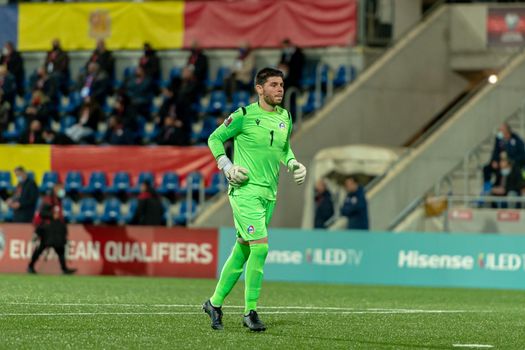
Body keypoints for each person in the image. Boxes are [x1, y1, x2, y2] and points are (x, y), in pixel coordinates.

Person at [202, 67, 307, 332]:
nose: (279, 89)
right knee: (260, 247)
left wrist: (293, 162)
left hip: (269, 194)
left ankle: (213, 304)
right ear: (259, 89)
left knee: (244, 248)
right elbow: (215, 138)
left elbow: (283, 148)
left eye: (281, 84)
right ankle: (250, 311)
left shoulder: (285, 117)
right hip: (245, 190)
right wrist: (226, 166)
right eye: (273, 85)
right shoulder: (244, 115)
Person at [28, 183, 76, 275]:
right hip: (48, 230)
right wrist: (52, 215)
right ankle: (31, 266)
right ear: (55, 189)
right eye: (60, 189)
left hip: (56, 230)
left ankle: (64, 269)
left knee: (60, 249)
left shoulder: (58, 200)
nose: (62, 191)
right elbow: (42, 213)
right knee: (42, 248)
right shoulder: (49, 199)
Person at [483, 123, 525, 192]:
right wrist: (494, 160)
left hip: (512, 164)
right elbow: (495, 151)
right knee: (486, 168)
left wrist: (510, 161)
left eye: (501, 130)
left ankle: (509, 189)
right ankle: (487, 187)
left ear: (506, 131)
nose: (500, 132)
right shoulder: (499, 139)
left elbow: (522, 155)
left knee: (512, 173)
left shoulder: (516, 140)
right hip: (501, 164)